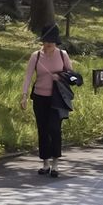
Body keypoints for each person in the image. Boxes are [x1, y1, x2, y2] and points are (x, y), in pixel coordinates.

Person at [21, 24, 72, 177]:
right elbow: (28, 76)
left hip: (57, 98)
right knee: (43, 129)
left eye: (52, 41)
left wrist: (61, 76)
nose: (49, 43)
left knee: (54, 129)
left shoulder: (63, 55)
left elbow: (71, 74)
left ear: (56, 42)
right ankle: (45, 163)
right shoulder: (36, 56)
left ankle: (55, 163)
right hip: (39, 97)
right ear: (42, 41)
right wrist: (24, 95)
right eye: (46, 40)